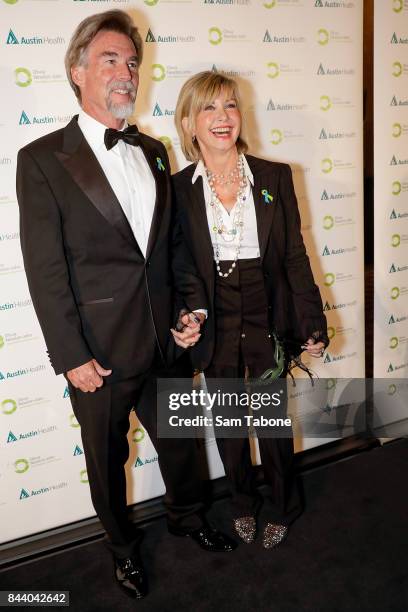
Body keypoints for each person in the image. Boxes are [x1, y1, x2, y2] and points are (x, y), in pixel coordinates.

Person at [16, 14, 235, 601]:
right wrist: (70, 355)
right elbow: (46, 270)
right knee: (107, 462)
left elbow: (175, 245)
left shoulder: (155, 150)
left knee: (183, 447)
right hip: (100, 353)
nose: (125, 73)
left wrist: (191, 309)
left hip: (166, 341)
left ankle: (188, 518)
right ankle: (122, 550)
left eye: (132, 63)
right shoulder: (40, 160)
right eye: (111, 59)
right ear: (77, 71)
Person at [172, 71, 329, 550]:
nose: (222, 118)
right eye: (209, 108)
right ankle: (242, 502)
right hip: (214, 312)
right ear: (189, 122)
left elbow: (294, 258)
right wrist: (190, 313)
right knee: (229, 421)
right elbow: (178, 263)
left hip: (264, 306)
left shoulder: (274, 176)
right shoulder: (177, 190)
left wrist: (312, 322)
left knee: (271, 418)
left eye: (230, 106)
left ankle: (284, 503)